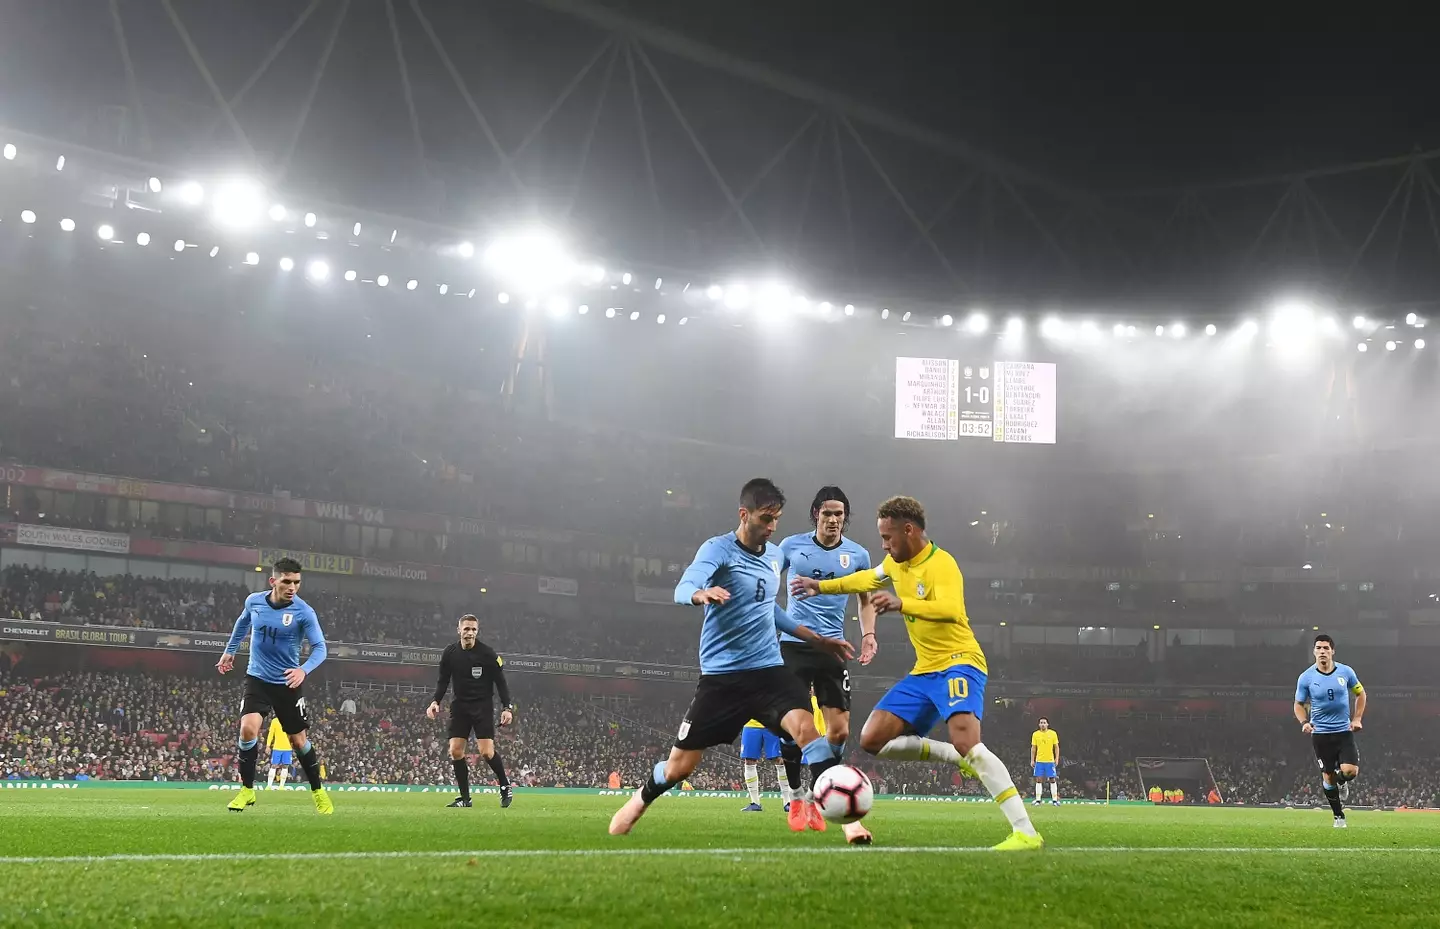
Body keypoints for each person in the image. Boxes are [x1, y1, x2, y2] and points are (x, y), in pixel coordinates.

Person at [792, 495, 1042, 851]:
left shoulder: (942, 564)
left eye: (888, 538)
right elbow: (864, 579)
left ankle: (1026, 833)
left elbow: (951, 609)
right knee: (872, 739)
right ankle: (956, 756)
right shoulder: (895, 564)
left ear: (908, 530)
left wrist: (901, 603)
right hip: (924, 671)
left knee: (968, 741)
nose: (884, 545)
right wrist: (821, 586)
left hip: (959, 661)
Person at [608, 478, 855, 836]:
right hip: (723, 679)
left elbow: (770, 609)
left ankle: (848, 822)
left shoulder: (773, 557)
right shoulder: (718, 550)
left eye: (776, 520)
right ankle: (639, 800)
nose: (771, 528)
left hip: (769, 671)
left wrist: (817, 639)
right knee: (679, 769)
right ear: (744, 514)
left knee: (808, 731)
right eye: (765, 519)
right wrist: (699, 594)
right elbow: (684, 586)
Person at [776, 485, 877, 843]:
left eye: (839, 514)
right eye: (826, 513)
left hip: (834, 649)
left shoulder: (859, 554)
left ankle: (813, 790)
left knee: (839, 732)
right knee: (797, 727)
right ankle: (799, 795)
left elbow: (866, 600)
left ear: (845, 518)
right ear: (815, 514)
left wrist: (868, 634)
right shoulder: (791, 546)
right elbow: (769, 583)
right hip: (794, 645)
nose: (833, 519)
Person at [216, 557, 332, 813]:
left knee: (298, 741)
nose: (292, 587)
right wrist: (230, 651)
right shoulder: (254, 601)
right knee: (248, 729)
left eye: (297, 582)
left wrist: (303, 670)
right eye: (287, 581)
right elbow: (242, 622)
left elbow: (320, 648)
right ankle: (247, 791)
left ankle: (318, 792)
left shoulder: (304, 612)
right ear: (273, 581)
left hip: (287, 683)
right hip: (257, 678)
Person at [427, 614, 515, 808]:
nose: (470, 633)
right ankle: (465, 799)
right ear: (459, 630)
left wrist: (507, 707)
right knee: (455, 751)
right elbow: (443, 680)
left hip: (482, 707)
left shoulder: (487, 654)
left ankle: (505, 786)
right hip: (459, 706)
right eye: (466, 629)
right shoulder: (450, 653)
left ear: (477, 631)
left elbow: (501, 682)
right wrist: (435, 701)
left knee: (486, 753)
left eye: (473, 629)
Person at [1295, 633, 1366, 828]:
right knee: (1327, 776)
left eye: (1326, 648)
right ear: (1314, 652)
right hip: (1321, 734)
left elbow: (1360, 693)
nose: (1322, 651)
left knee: (1350, 772)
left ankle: (1342, 781)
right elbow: (1298, 704)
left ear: (1332, 651)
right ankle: (1338, 817)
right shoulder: (1306, 677)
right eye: (1318, 648)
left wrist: (1357, 718)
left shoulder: (1346, 672)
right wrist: (1304, 722)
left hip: (1343, 732)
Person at [739, 718, 787, 812]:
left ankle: (787, 802)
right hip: (750, 724)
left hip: (773, 723)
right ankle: (755, 803)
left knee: (779, 760)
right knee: (749, 761)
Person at [1030, 717, 1060, 806]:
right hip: (1039, 761)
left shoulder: (1053, 733)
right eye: (1041, 722)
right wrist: (1032, 760)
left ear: (1047, 724)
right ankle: (1038, 800)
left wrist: (1057, 758)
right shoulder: (1035, 734)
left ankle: (1055, 800)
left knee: (1052, 779)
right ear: (1039, 725)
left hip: (1050, 761)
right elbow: (1033, 748)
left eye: (1044, 722)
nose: (1043, 724)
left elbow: (1056, 747)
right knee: (1038, 779)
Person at [265, 716, 293, 789]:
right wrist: (268, 745)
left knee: (285, 766)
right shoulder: (275, 721)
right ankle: (269, 785)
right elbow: (271, 733)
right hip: (277, 747)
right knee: (274, 765)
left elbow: (293, 734)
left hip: (288, 748)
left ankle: (281, 786)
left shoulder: (290, 720)